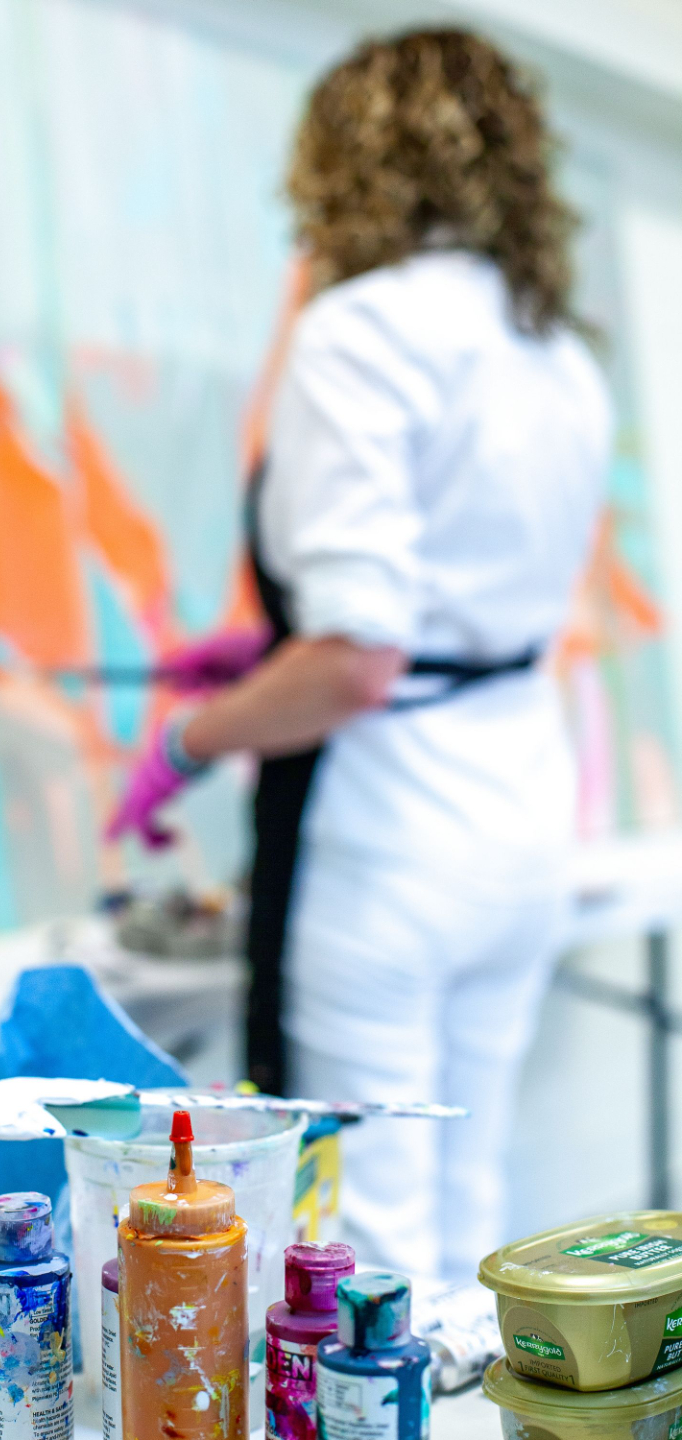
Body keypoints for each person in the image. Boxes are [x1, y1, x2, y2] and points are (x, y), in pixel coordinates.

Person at [107, 29, 611, 1281]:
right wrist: (270, 652)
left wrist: (187, 741)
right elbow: (450, 611)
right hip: (521, 820)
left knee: (361, 1239)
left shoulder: (358, 332)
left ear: (345, 167)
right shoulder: (556, 352)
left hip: (392, 843)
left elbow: (359, 665)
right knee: (472, 1199)